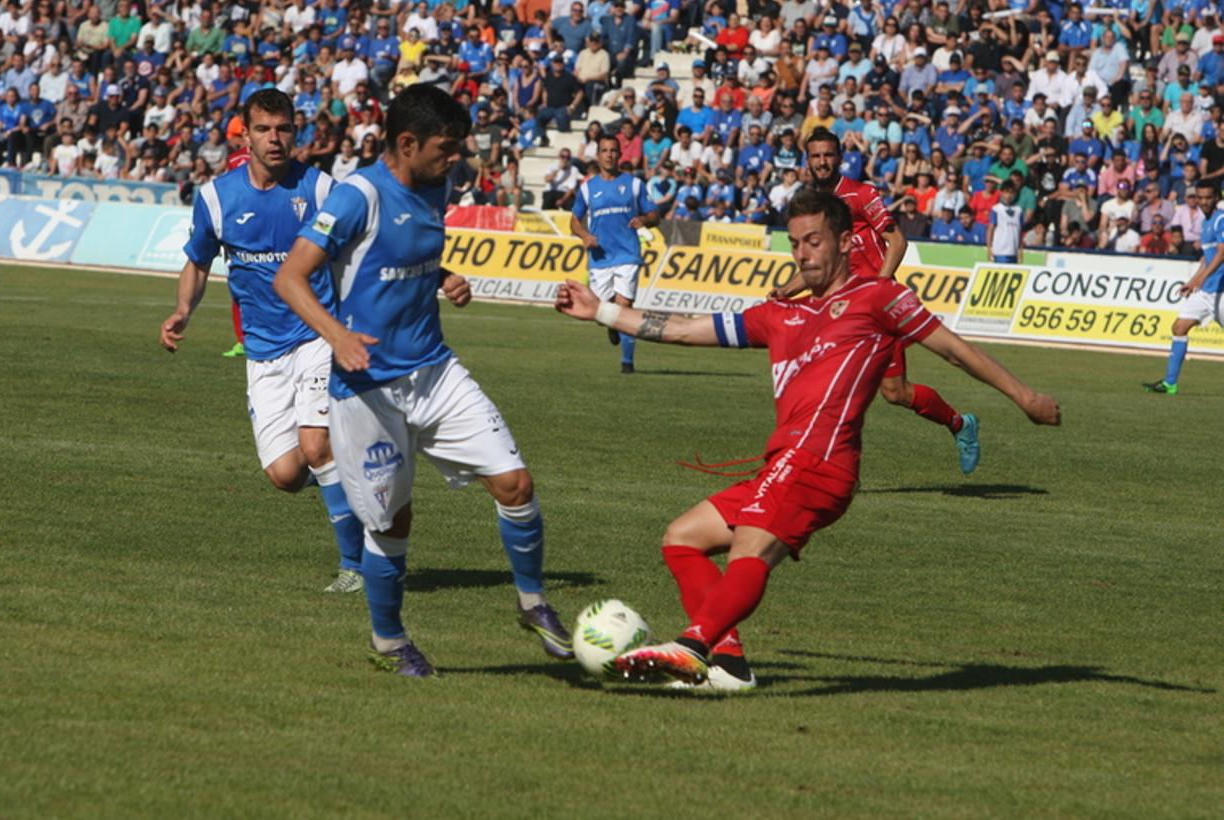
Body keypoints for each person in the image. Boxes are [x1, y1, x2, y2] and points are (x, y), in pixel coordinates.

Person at [554, 188, 1061, 690]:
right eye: (795, 243)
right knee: (682, 538)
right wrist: (600, 311)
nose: (802, 253)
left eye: (813, 241)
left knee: (749, 546)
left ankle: (692, 646)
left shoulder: (878, 298)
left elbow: (952, 349)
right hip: (783, 462)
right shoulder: (780, 315)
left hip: (819, 463)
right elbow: (685, 329)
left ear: (844, 241)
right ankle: (727, 664)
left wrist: (1025, 397)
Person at [274, 84, 572, 677]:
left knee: (515, 484)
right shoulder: (358, 196)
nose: (454, 158)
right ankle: (388, 641)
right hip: (366, 391)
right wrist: (337, 337)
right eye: (445, 148)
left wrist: (445, 277)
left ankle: (533, 602)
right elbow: (290, 278)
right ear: (406, 143)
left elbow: (403, 257)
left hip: (435, 372)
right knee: (392, 522)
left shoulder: (434, 184)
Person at [158, 89, 365, 596]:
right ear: (245, 134)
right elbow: (199, 260)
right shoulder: (216, 198)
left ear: (297, 132)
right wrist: (184, 309)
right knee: (285, 474)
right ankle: (347, 476)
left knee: (315, 446)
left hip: (318, 336)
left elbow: (365, 246)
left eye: (285, 129)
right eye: (265, 129)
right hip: (263, 350)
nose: (276, 139)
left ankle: (356, 568)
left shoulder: (319, 190)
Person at [774, 129, 981, 474]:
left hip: (875, 310)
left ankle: (960, 424)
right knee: (826, 385)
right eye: (816, 156)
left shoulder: (860, 194)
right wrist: (786, 289)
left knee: (895, 393)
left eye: (828, 155)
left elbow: (896, 241)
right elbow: (819, 268)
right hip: (840, 311)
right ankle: (830, 468)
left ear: (839, 157)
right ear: (806, 161)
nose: (822, 162)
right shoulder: (812, 206)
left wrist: (879, 288)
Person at [570, 135, 659, 373]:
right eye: (604, 151)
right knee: (603, 312)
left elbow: (654, 214)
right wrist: (585, 236)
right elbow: (574, 222)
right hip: (600, 258)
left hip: (628, 255)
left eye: (613, 151)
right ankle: (611, 324)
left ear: (619, 155)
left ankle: (627, 364)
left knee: (625, 308)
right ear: (597, 155)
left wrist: (643, 219)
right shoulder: (588, 188)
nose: (609, 154)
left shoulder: (634, 184)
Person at [1144, 204, 1224, 396]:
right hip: (1205, 293)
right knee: (1179, 328)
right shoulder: (1206, 223)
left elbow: (1222, 253)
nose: (1204, 201)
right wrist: (1194, 281)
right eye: (1200, 198)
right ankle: (1170, 383)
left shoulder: (1221, 220)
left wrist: (1204, 278)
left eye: (1208, 197)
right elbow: (1207, 258)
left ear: (1214, 198)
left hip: (1221, 292)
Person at [223, 114, 252, 359]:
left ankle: (242, 340)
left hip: (238, 225)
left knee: (238, 286)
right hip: (263, 224)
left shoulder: (233, 159)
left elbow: (227, 192)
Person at [987, 180, 1024, 264]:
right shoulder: (996, 209)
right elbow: (990, 229)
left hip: (1013, 252)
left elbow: (1020, 232)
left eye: (1011, 193)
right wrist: (989, 248)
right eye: (1006, 192)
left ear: (1015, 194)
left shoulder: (1019, 210)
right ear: (1001, 193)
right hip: (999, 251)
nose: (1008, 196)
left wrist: (1020, 250)